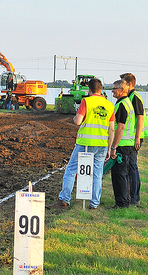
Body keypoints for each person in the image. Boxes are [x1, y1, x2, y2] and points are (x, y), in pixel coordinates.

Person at [50, 78, 115, 210]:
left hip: (85, 143)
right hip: (102, 144)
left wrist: (76, 117)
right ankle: (94, 203)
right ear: (101, 90)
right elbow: (112, 128)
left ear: (89, 90)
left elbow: (78, 121)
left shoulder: (87, 101)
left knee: (71, 170)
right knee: (97, 174)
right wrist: (110, 147)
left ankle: (64, 199)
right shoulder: (109, 105)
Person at [120, 73, 148, 207]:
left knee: (132, 168)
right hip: (133, 137)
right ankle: (133, 198)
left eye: (122, 83)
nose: (121, 86)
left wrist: (137, 137)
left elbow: (140, 118)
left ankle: (134, 199)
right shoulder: (130, 96)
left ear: (129, 84)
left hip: (135, 138)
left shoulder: (135, 97)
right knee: (131, 167)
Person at [109, 79, 136, 209]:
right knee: (123, 173)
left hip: (122, 145)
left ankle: (121, 203)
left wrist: (114, 147)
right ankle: (124, 201)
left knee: (119, 174)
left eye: (114, 88)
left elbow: (120, 127)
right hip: (127, 144)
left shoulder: (122, 105)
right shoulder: (126, 103)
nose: (112, 91)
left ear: (122, 90)